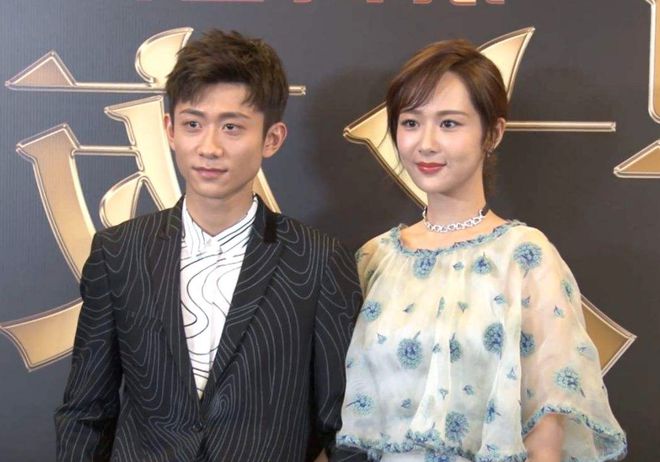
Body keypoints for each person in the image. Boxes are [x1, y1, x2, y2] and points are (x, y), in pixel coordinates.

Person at [55, 29, 364, 462]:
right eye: (193, 124)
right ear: (169, 130)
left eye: (232, 127)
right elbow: (86, 411)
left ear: (272, 138)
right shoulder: (119, 252)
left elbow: (347, 423)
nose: (209, 147)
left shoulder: (318, 260)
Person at [336, 40, 627, 462]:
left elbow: (546, 435)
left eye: (449, 123)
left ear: (492, 133)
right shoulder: (376, 258)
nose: (426, 143)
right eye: (411, 122)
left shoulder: (525, 257)